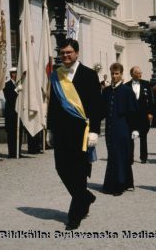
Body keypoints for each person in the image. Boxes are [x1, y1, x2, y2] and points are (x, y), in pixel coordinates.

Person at [47, 38, 102, 230]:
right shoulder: (56, 75)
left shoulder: (89, 74)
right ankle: (85, 197)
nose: (65, 56)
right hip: (61, 132)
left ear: (77, 53)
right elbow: (53, 105)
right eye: (63, 53)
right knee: (61, 168)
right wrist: (50, 129)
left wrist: (94, 131)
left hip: (82, 131)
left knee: (79, 172)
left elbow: (96, 105)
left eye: (69, 52)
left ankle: (75, 215)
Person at [102, 63, 139, 195]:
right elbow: (101, 110)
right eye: (112, 73)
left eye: (117, 73)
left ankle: (120, 184)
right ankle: (114, 182)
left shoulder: (127, 91)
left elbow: (134, 112)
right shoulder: (106, 91)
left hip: (123, 127)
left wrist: (135, 128)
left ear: (121, 74)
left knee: (121, 155)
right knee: (112, 155)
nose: (114, 76)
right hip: (110, 128)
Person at [125, 66, 153, 164]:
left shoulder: (146, 84)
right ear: (132, 74)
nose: (140, 74)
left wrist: (150, 112)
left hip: (143, 115)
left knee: (143, 137)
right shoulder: (126, 85)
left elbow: (151, 99)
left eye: (140, 72)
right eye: (137, 72)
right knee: (130, 137)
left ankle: (143, 157)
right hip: (131, 116)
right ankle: (130, 158)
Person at [3, 67, 23, 158]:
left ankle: (18, 151)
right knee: (11, 133)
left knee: (19, 132)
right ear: (12, 74)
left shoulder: (18, 84)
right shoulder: (7, 84)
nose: (16, 74)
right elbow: (9, 97)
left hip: (18, 112)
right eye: (14, 73)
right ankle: (12, 153)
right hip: (11, 112)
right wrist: (16, 90)